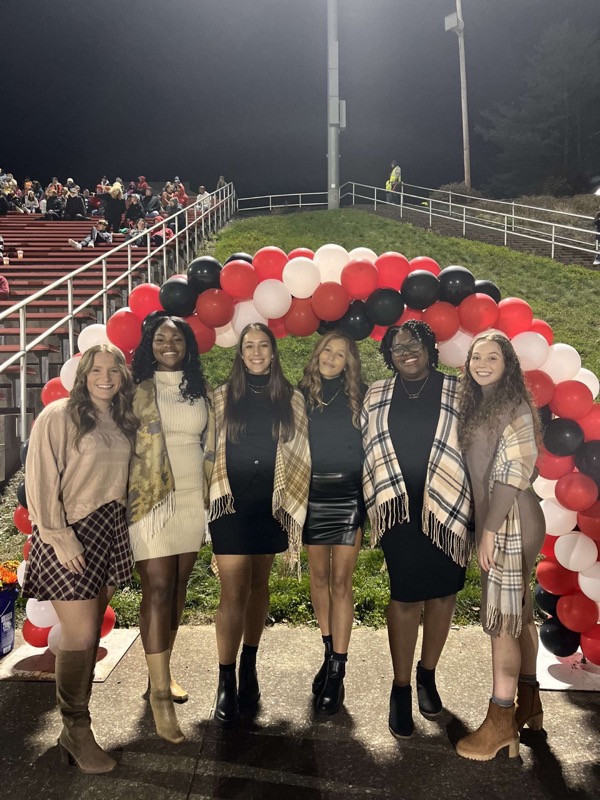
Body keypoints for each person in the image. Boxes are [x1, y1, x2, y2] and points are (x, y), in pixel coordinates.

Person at [21, 344, 137, 774]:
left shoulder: (121, 419)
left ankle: (76, 729)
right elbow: (41, 478)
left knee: (88, 635)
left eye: (113, 370)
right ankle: (75, 728)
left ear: (122, 377)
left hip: (111, 530)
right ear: (84, 374)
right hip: (72, 533)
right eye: (96, 370)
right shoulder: (59, 415)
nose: (105, 377)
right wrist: (59, 538)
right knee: (82, 633)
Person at [362, 320, 472, 740]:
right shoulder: (377, 394)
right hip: (398, 508)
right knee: (405, 597)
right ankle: (401, 687)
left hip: (448, 509)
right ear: (388, 356)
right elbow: (366, 449)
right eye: (396, 348)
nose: (405, 352)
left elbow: (476, 446)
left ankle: (428, 675)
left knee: (444, 594)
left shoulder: (458, 391)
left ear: (430, 347)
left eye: (413, 344)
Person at [207, 323, 310, 725]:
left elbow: (301, 452)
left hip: (272, 505)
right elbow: (208, 449)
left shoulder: (291, 399)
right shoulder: (221, 397)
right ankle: (225, 678)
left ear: (273, 352)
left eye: (262, 346)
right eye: (248, 346)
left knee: (258, 586)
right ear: (240, 353)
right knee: (233, 591)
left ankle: (249, 661)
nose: (255, 352)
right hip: (230, 504)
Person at [455, 333, 545, 762]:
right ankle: (530, 704)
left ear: (508, 364)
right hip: (500, 518)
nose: (484, 363)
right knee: (520, 612)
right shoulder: (478, 402)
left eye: (494, 357)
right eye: (477, 356)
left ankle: (500, 720)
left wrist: (488, 530)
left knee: (502, 621)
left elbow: (513, 470)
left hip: (512, 518)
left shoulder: (515, 407)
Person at [129, 316, 214, 744]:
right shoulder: (136, 389)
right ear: (150, 344)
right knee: (158, 588)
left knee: (178, 586)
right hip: (150, 498)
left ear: (187, 345)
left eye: (176, 338)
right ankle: (159, 696)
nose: (168, 343)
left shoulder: (198, 388)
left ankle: (158, 673)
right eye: (160, 338)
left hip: (191, 496)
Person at [299, 332, 367, 715]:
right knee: (319, 579)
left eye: (340, 354)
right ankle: (328, 652)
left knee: (341, 581)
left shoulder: (361, 395)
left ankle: (338, 670)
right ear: (317, 352)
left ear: (348, 362)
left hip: (348, 497)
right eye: (327, 349)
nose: (331, 358)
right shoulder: (300, 394)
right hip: (311, 496)